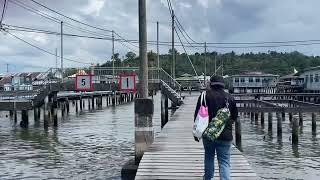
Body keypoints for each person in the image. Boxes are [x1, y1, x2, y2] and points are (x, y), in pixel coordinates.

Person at [194, 75, 238, 180]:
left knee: (209, 157)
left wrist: (197, 132)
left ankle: (208, 178)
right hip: (225, 135)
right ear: (223, 85)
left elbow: (197, 116)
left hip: (208, 133)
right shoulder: (230, 97)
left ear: (210, 84)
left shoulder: (204, 96)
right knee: (224, 161)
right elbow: (234, 117)